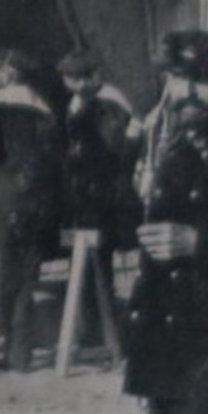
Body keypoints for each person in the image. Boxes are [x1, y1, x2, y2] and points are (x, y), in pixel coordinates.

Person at [126, 30, 208, 414]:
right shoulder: (176, 142)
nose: (186, 92)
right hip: (166, 349)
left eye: (201, 80)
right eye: (176, 77)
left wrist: (200, 244)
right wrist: (144, 362)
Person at [0, 48, 64, 372]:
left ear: (8, 73)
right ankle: (20, 356)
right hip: (36, 201)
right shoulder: (45, 108)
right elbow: (52, 159)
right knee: (24, 280)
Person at [57, 49, 141, 302]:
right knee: (88, 258)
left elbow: (114, 148)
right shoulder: (79, 100)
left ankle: (99, 322)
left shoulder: (107, 102)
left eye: (81, 77)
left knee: (99, 256)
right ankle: (91, 318)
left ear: (92, 76)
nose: (76, 83)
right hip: (87, 189)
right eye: (70, 78)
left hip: (104, 190)